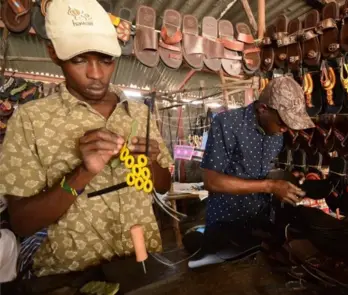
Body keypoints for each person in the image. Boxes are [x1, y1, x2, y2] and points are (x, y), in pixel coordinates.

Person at [0, 0, 173, 277]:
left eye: (106, 60)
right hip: (73, 276)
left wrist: (151, 163)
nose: (96, 74)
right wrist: (82, 174)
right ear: (54, 53)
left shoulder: (139, 113)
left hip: (144, 265)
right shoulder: (31, 120)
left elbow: (163, 186)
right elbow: (21, 223)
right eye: (79, 59)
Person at [201, 77, 315, 231]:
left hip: (261, 220)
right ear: (263, 109)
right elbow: (211, 181)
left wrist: (287, 179)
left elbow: (259, 171)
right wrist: (270, 186)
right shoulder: (227, 123)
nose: (284, 130)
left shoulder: (276, 133)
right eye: (282, 123)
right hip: (226, 222)